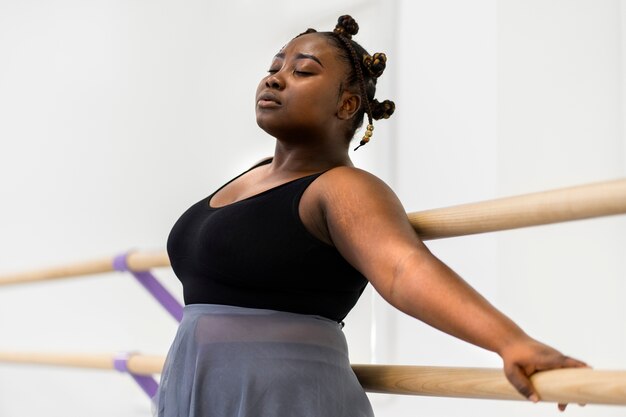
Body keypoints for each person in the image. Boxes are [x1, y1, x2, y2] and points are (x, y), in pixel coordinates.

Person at [157, 15, 586, 417]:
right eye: (275, 66)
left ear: (346, 105)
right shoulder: (253, 175)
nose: (275, 78)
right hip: (199, 385)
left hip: (283, 395)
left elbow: (403, 268)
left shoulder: (343, 187)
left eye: (302, 71)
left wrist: (510, 342)